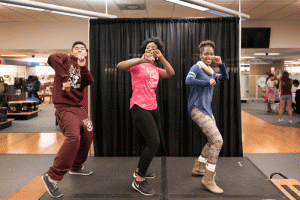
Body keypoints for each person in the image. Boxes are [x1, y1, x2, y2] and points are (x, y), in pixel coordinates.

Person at [117, 37, 175, 195]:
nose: (150, 50)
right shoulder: (138, 64)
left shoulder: (156, 69)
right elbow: (120, 66)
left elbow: (171, 72)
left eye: (154, 48)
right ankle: (139, 180)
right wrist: (139, 60)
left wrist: (161, 57)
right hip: (139, 106)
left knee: (149, 142)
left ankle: (139, 171)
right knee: (154, 142)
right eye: (148, 47)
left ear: (157, 52)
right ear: (144, 50)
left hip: (153, 108)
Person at [41, 41, 94, 198]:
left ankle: (76, 166)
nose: (79, 50)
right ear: (72, 52)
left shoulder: (83, 67)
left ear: (85, 53)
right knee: (72, 138)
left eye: (82, 49)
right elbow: (51, 57)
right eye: (76, 48)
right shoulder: (64, 59)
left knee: (88, 134)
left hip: (79, 109)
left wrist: (83, 66)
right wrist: (64, 78)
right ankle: (51, 177)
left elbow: (88, 81)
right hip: (64, 107)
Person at [186, 40, 229, 194]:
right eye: (206, 54)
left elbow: (225, 78)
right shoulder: (197, 67)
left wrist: (221, 64)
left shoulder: (210, 70)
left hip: (207, 111)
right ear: (201, 55)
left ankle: (199, 168)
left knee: (212, 140)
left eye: (211, 54)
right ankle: (208, 179)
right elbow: (188, 80)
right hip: (197, 109)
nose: (209, 56)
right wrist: (207, 82)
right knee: (218, 140)